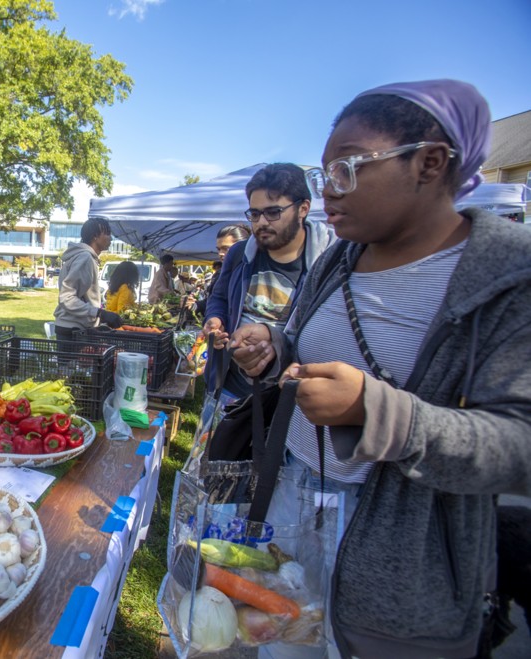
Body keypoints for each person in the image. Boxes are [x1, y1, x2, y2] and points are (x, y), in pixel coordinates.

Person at [226, 79, 531, 659]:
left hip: (404, 551)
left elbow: (519, 445)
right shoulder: (342, 257)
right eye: (323, 175)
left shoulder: (507, 275)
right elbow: (303, 341)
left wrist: (376, 410)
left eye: (346, 169)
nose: (327, 193)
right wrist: (273, 344)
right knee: (282, 642)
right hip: (296, 494)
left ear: (430, 163)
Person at [204, 163, 335, 399]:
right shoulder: (238, 254)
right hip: (228, 384)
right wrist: (215, 320)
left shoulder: (328, 263)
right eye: (254, 214)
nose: (262, 222)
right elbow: (219, 297)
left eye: (273, 212)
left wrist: (275, 343)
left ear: (303, 208)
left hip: (287, 394)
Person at [53, 217, 122, 343]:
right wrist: (100, 313)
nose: (110, 238)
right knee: (73, 364)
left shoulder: (84, 257)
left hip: (76, 328)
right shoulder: (85, 258)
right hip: (73, 331)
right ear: (95, 236)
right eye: (107, 233)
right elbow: (66, 297)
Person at [187, 224, 253, 316]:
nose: (221, 253)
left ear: (243, 247)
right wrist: (194, 305)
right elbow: (215, 302)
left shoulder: (253, 274)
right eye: (219, 249)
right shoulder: (220, 275)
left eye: (226, 249)